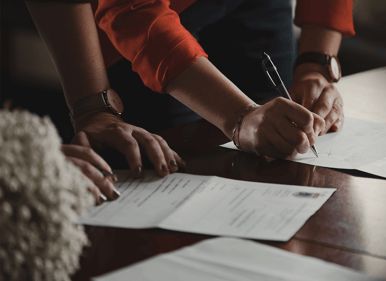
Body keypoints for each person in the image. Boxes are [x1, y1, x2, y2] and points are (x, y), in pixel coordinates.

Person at [25, 0, 354, 202]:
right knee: (173, 175)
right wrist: (240, 116)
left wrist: (316, 64)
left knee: (277, 149)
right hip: (140, 20)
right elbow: (132, 9)